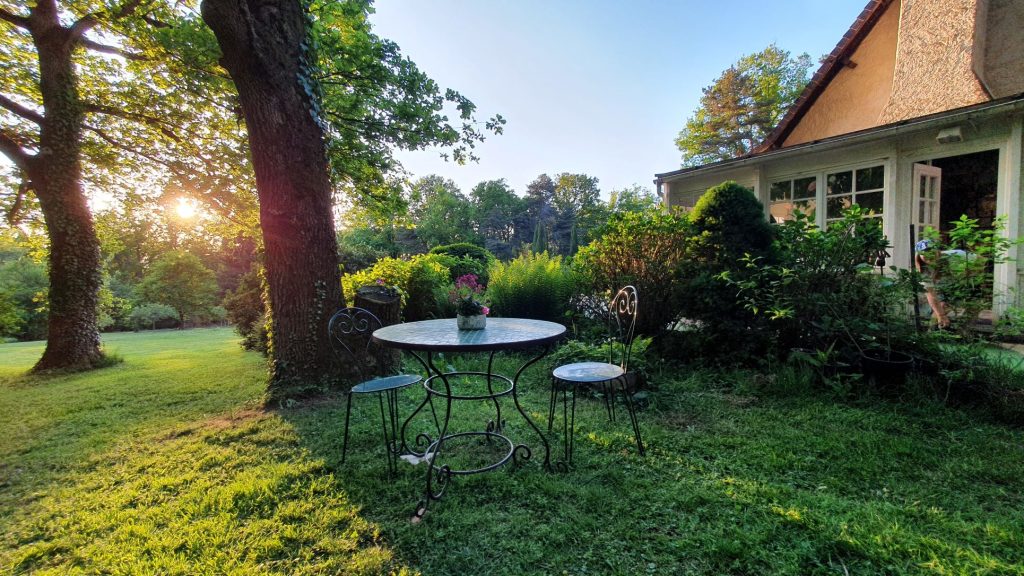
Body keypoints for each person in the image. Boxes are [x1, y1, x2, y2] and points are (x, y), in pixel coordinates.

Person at [915, 238, 950, 328]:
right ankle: (932, 333)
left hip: (971, 276)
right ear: (919, 256)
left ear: (938, 251)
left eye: (931, 251)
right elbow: (930, 293)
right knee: (940, 306)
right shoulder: (923, 270)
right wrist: (940, 314)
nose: (929, 255)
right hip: (946, 287)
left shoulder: (951, 258)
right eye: (924, 253)